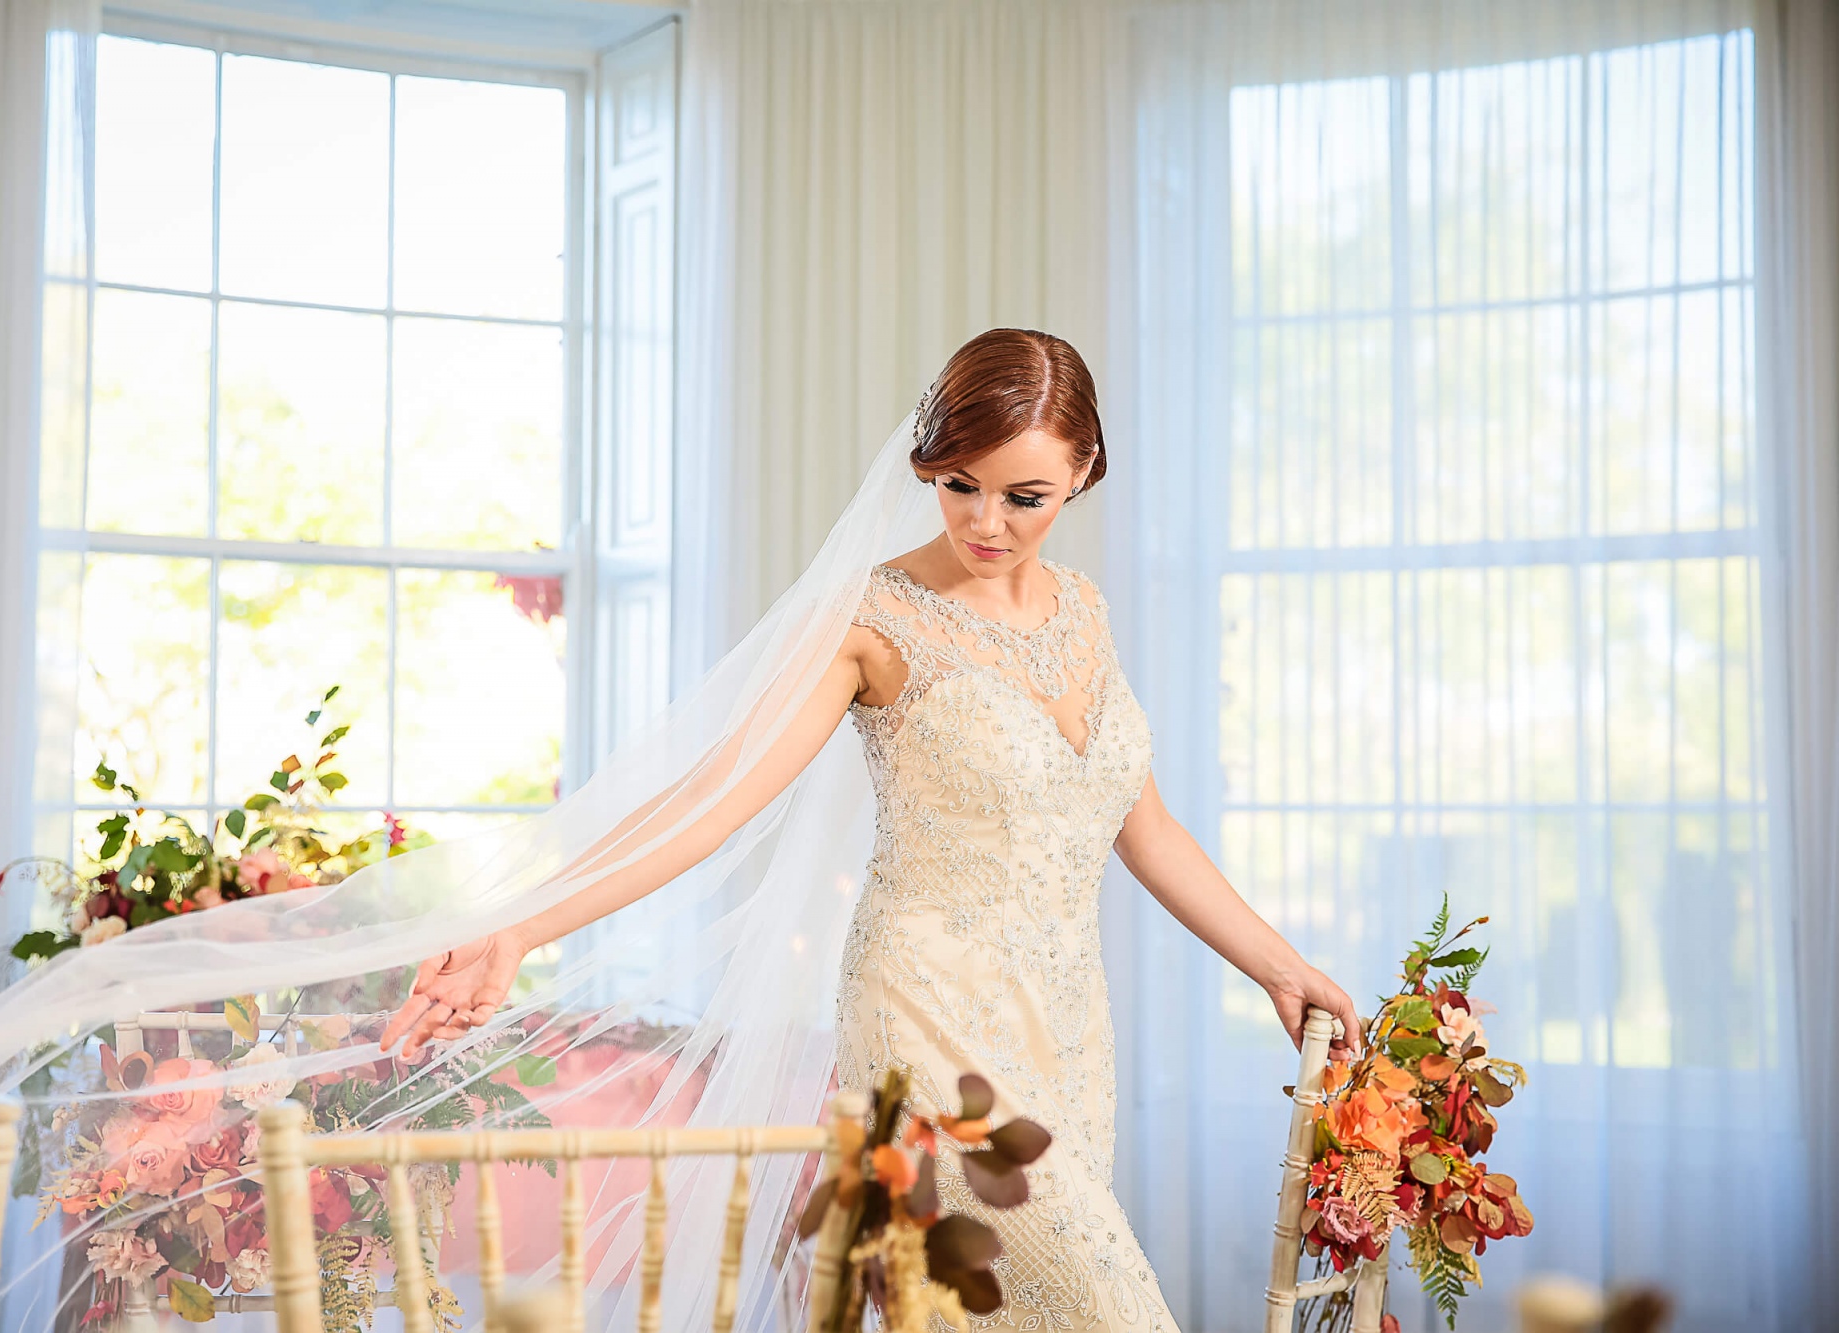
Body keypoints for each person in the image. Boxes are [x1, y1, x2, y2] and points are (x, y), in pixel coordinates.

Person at [378, 328, 1362, 1329]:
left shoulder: (1084, 613)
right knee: (1115, 1308)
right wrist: (520, 923)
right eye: (957, 484)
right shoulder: (874, 618)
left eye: (1025, 497)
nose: (985, 521)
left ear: (1083, 471)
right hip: (924, 1017)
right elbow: (708, 799)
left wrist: (1276, 965)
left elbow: (1141, 823)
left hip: (1067, 1031)